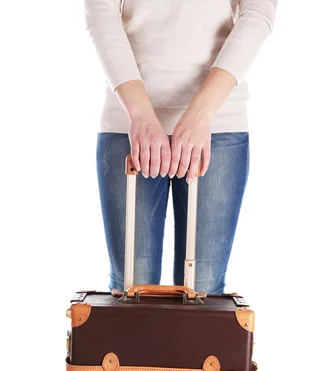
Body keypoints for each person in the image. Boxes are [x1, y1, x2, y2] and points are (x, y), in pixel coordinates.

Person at [84, 0, 277, 294]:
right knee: (130, 291)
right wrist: (141, 114)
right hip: (129, 124)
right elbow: (101, 14)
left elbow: (258, 13)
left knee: (203, 291)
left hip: (217, 125)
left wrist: (200, 113)